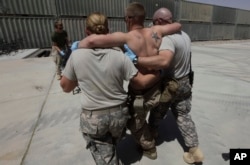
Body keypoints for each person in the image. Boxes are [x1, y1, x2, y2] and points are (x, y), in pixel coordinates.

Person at [77, 2, 181, 160]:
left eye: (126, 18)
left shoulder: (125, 37)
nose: (125, 21)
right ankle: (152, 131)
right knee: (150, 113)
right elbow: (178, 25)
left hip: (141, 92)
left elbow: (91, 41)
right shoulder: (156, 31)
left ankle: (149, 148)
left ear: (130, 19)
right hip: (157, 86)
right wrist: (159, 72)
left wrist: (78, 45)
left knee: (134, 122)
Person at [60, 12, 160, 165]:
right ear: (108, 31)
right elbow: (139, 82)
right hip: (120, 116)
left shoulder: (77, 55)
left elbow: (66, 87)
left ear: (87, 32)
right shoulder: (120, 55)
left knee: (107, 156)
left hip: (95, 120)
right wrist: (159, 73)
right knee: (112, 141)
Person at [126, 7, 204, 164]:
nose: (154, 27)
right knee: (182, 114)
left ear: (160, 21)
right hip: (185, 81)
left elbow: (164, 61)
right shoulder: (185, 35)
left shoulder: (168, 39)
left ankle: (152, 134)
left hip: (171, 83)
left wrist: (135, 60)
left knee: (158, 109)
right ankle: (195, 150)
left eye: (155, 23)